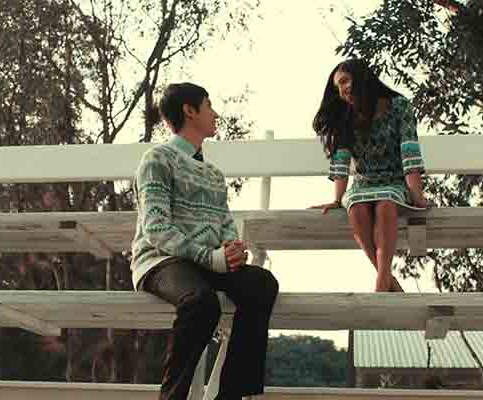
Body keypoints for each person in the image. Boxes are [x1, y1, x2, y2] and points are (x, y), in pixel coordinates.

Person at [130, 82, 279, 400]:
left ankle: (231, 395)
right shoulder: (157, 159)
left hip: (207, 263)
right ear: (189, 111)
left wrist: (233, 250)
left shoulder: (213, 174)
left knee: (261, 283)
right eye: (209, 105)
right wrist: (211, 258)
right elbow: (156, 228)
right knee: (201, 302)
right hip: (161, 261)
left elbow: (225, 223)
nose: (215, 114)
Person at [310, 59, 428, 292]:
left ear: (361, 77)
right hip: (363, 184)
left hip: (394, 182)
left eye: (344, 81)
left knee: (385, 205)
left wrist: (417, 196)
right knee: (356, 206)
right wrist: (337, 199)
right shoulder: (345, 115)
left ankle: (382, 282)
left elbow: (410, 153)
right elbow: (341, 160)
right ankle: (388, 280)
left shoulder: (399, 106)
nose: (342, 90)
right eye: (337, 87)